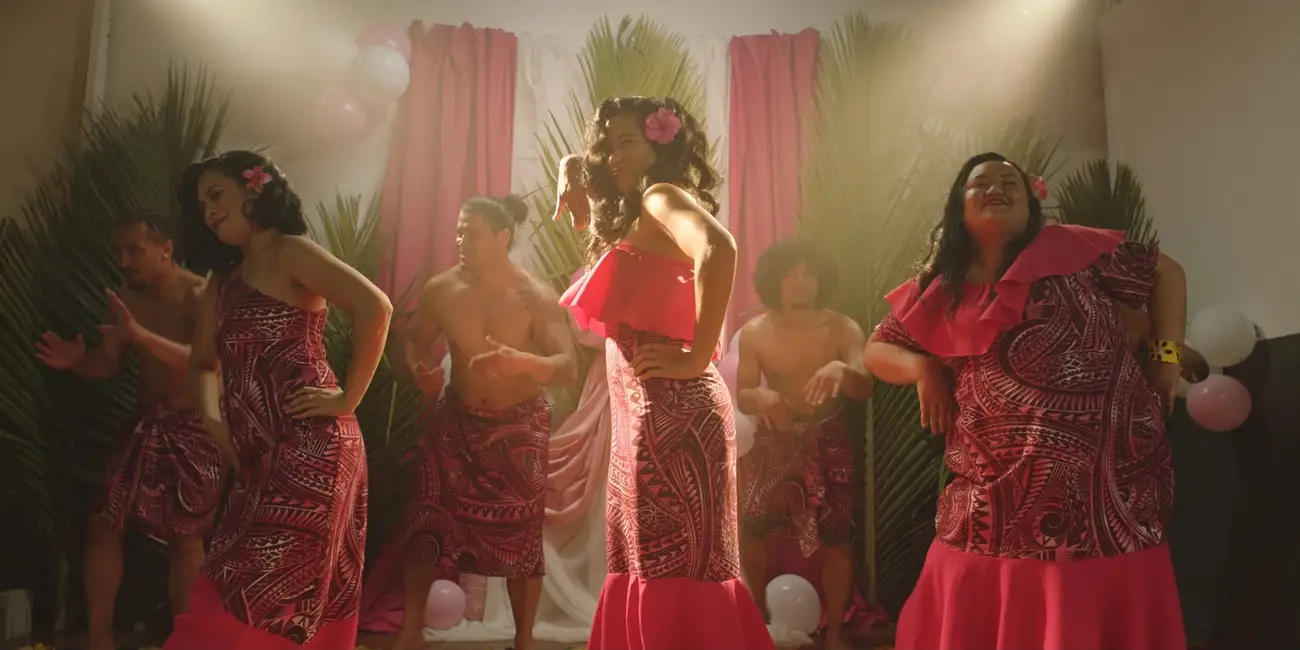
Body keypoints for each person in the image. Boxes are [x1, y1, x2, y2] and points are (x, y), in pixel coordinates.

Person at [864, 152, 1187, 650]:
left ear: (1029, 200)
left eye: (1008, 180)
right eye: (980, 183)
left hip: (1113, 489)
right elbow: (877, 349)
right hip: (993, 495)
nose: (996, 188)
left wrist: (1166, 357)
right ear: (958, 205)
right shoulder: (942, 285)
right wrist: (922, 367)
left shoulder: (1075, 248)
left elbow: (1167, 273)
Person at [554, 96, 774, 650]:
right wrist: (570, 171)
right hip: (644, 418)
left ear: (661, 143)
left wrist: (700, 356)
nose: (612, 155)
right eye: (607, 146)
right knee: (648, 560)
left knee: (674, 567)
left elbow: (718, 249)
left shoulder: (660, 196)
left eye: (627, 141)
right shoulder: (638, 207)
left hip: (672, 415)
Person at [163, 151, 392, 650]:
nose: (209, 211)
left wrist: (346, 397)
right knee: (227, 585)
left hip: (312, 450)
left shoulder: (290, 252)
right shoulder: (220, 283)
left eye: (216, 195)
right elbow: (204, 364)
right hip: (257, 461)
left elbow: (375, 307)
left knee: (263, 603)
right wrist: (212, 419)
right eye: (202, 204)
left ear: (254, 189)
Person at [389, 194, 575, 650]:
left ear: (502, 237)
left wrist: (523, 363)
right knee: (426, 522)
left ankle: (524, 637)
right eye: (458, 231)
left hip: (521, 425)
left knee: (522, 538)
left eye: (471, 232)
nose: (460, 240)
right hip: (455, 420)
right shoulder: (442, 289)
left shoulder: (534, 295)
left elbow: (567, 365)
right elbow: (412, 345)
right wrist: (419, 370)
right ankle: (411, 628)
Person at [33, 210, 224, 650]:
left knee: (186, 536)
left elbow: (208, 363)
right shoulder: (125, 298)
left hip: (197, 426)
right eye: (118, 252)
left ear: (166, 248)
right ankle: (100, 639)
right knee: (102, 522)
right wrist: (78, 361)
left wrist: (142, 337)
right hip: (147, 423)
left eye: (133, 250)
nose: (123, 260)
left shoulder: (201, 294)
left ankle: (186, 641)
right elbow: (108, 363)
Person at [733, 239, 872, 650]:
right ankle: (755, 620)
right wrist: (765, 398)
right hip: (773, 438)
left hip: (829, 438)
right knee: (754, 524)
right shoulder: (756, 332)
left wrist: (841, 368)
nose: (801, 282)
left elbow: (864, 387)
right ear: (774, 280)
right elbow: (743, 394)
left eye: (809, 274)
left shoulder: (843, 327)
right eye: (792, 274)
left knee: (838, 534)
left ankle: (833, 635)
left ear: (821, 280)